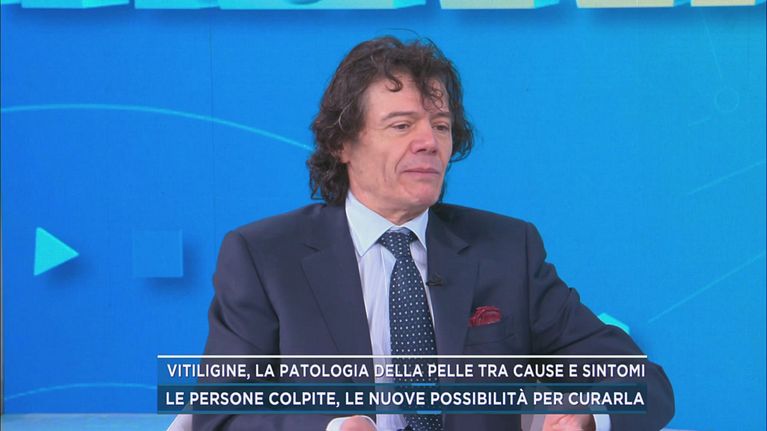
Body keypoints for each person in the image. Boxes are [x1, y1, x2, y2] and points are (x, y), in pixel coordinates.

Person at [193, 36, 674, 431]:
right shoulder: (265, 257)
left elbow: (642, 382)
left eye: (441, 126)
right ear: (343, 144)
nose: (429, 142)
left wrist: (588, 417)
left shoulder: (508, 250)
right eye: (402, 125)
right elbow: (221, 414)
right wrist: (331, 428)